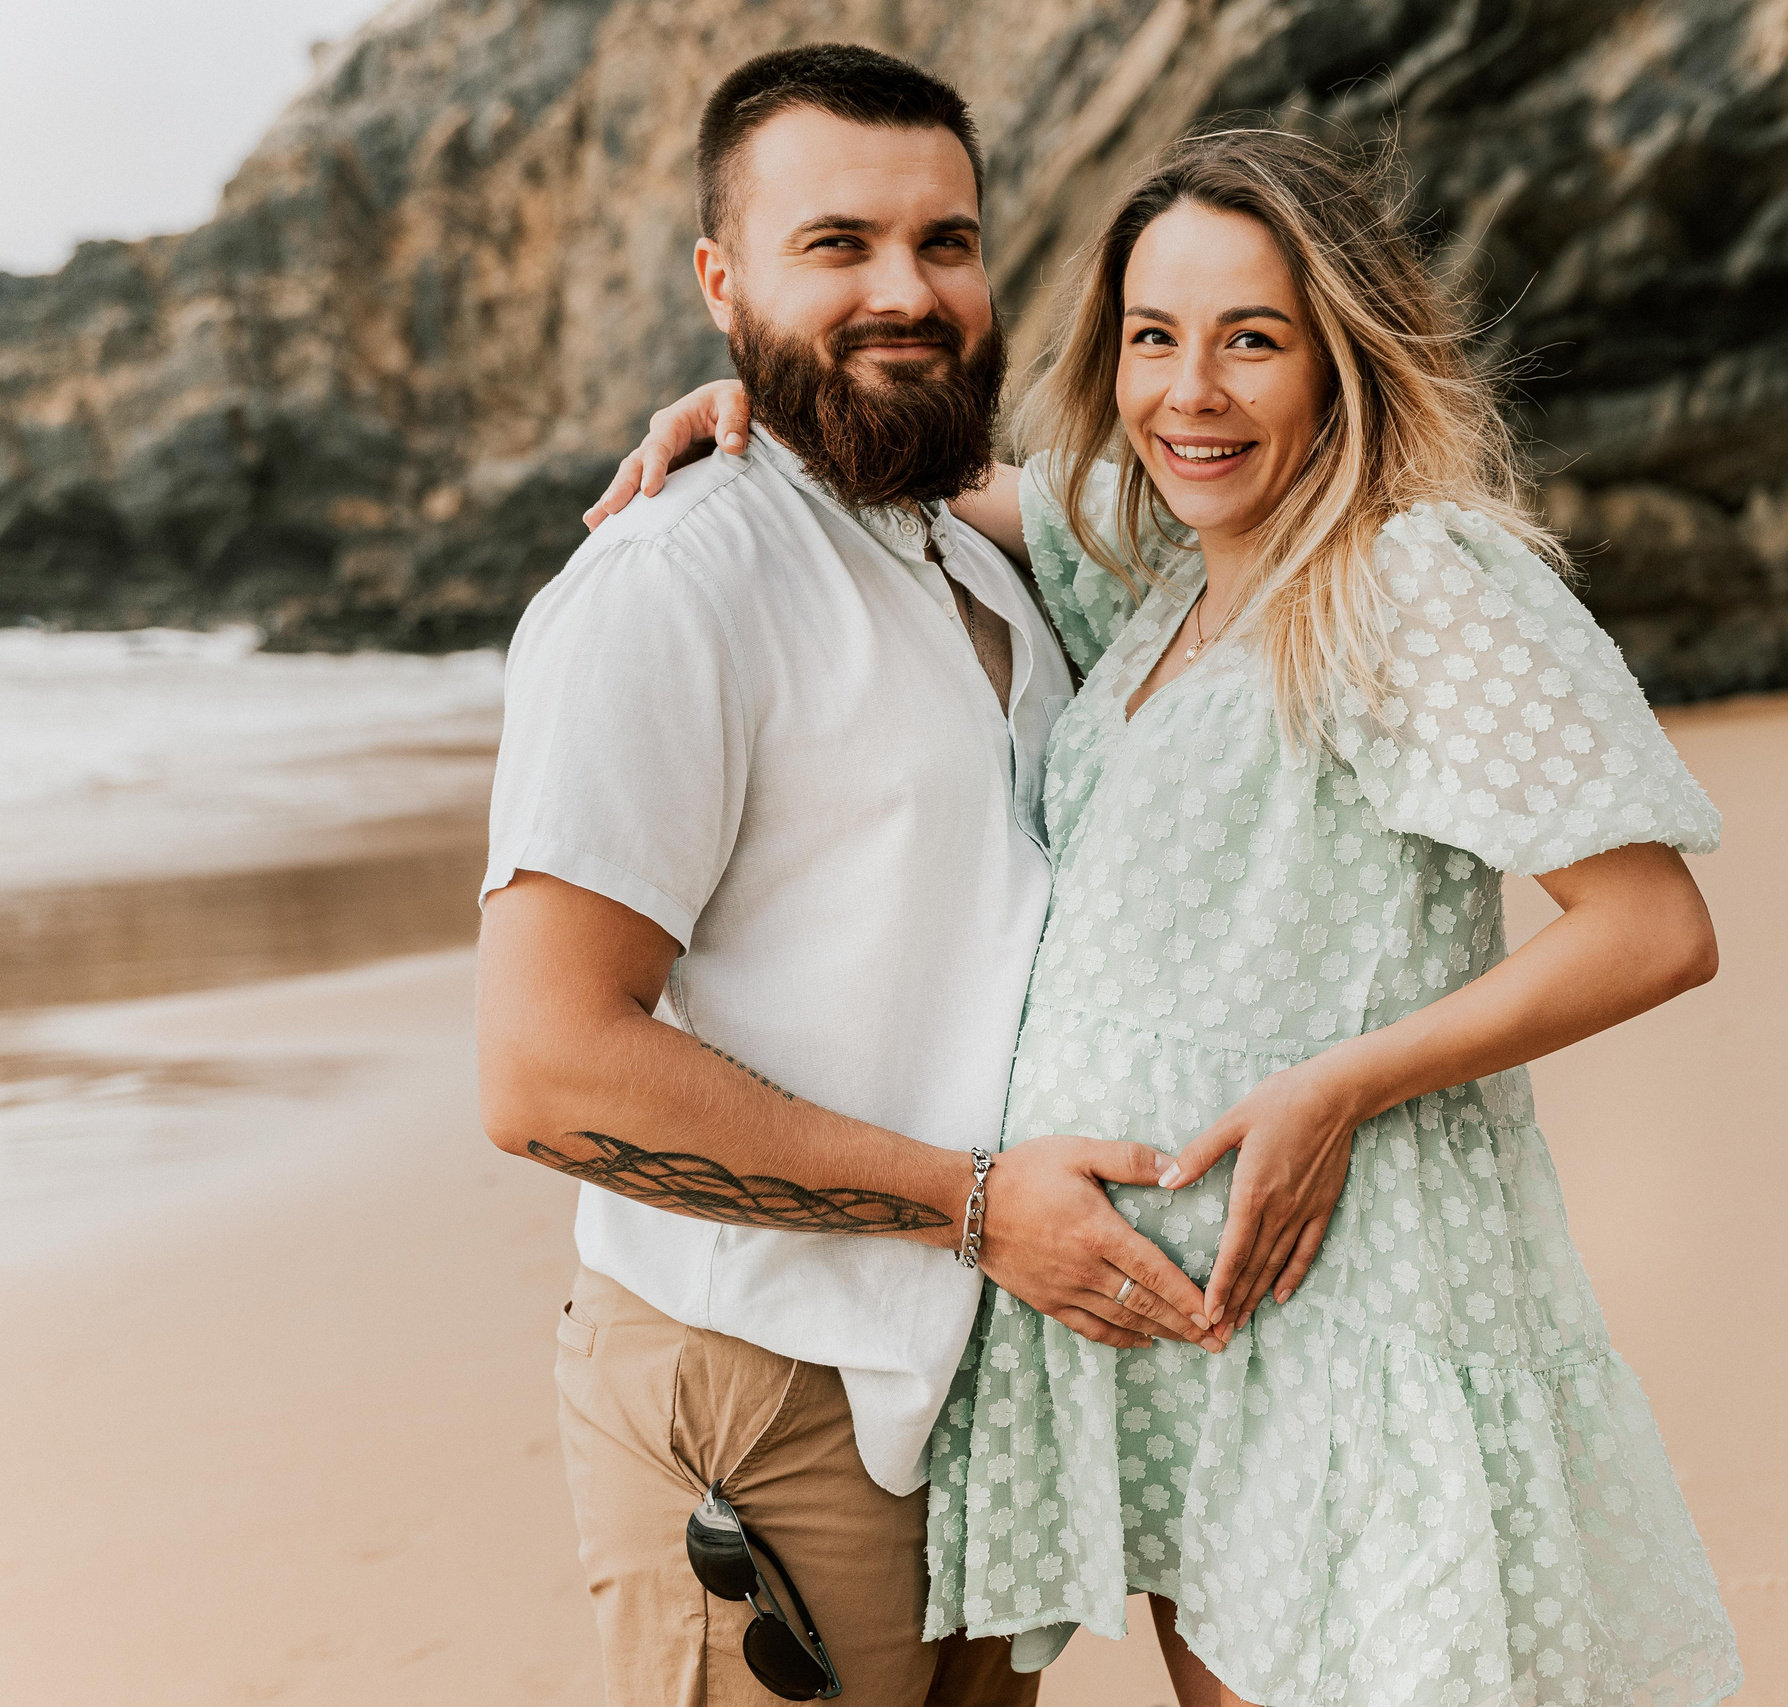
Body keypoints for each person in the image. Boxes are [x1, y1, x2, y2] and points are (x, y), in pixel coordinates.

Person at [604, 126, 1745, 1707]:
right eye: (1154, 339)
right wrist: (750, 405)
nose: (1190, 393)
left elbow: (1651, 927)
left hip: (1355, 1314)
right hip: (1187, 1351)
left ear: (1343, 361)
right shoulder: (1153, 578)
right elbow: (935, 479)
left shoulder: (1411, 577)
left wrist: (1344, 1080)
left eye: (1252, 341)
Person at [476, 45, 1229, 1707]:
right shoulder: (672, 585)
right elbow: (541, 1071)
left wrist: (821, 416)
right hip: (767, 1380)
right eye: (840, 248)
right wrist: (969, 1207)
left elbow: (1277, 518)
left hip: (982, 1370)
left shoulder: (974, 546)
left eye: (944, 244)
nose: (909, 289)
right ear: (720, 280)